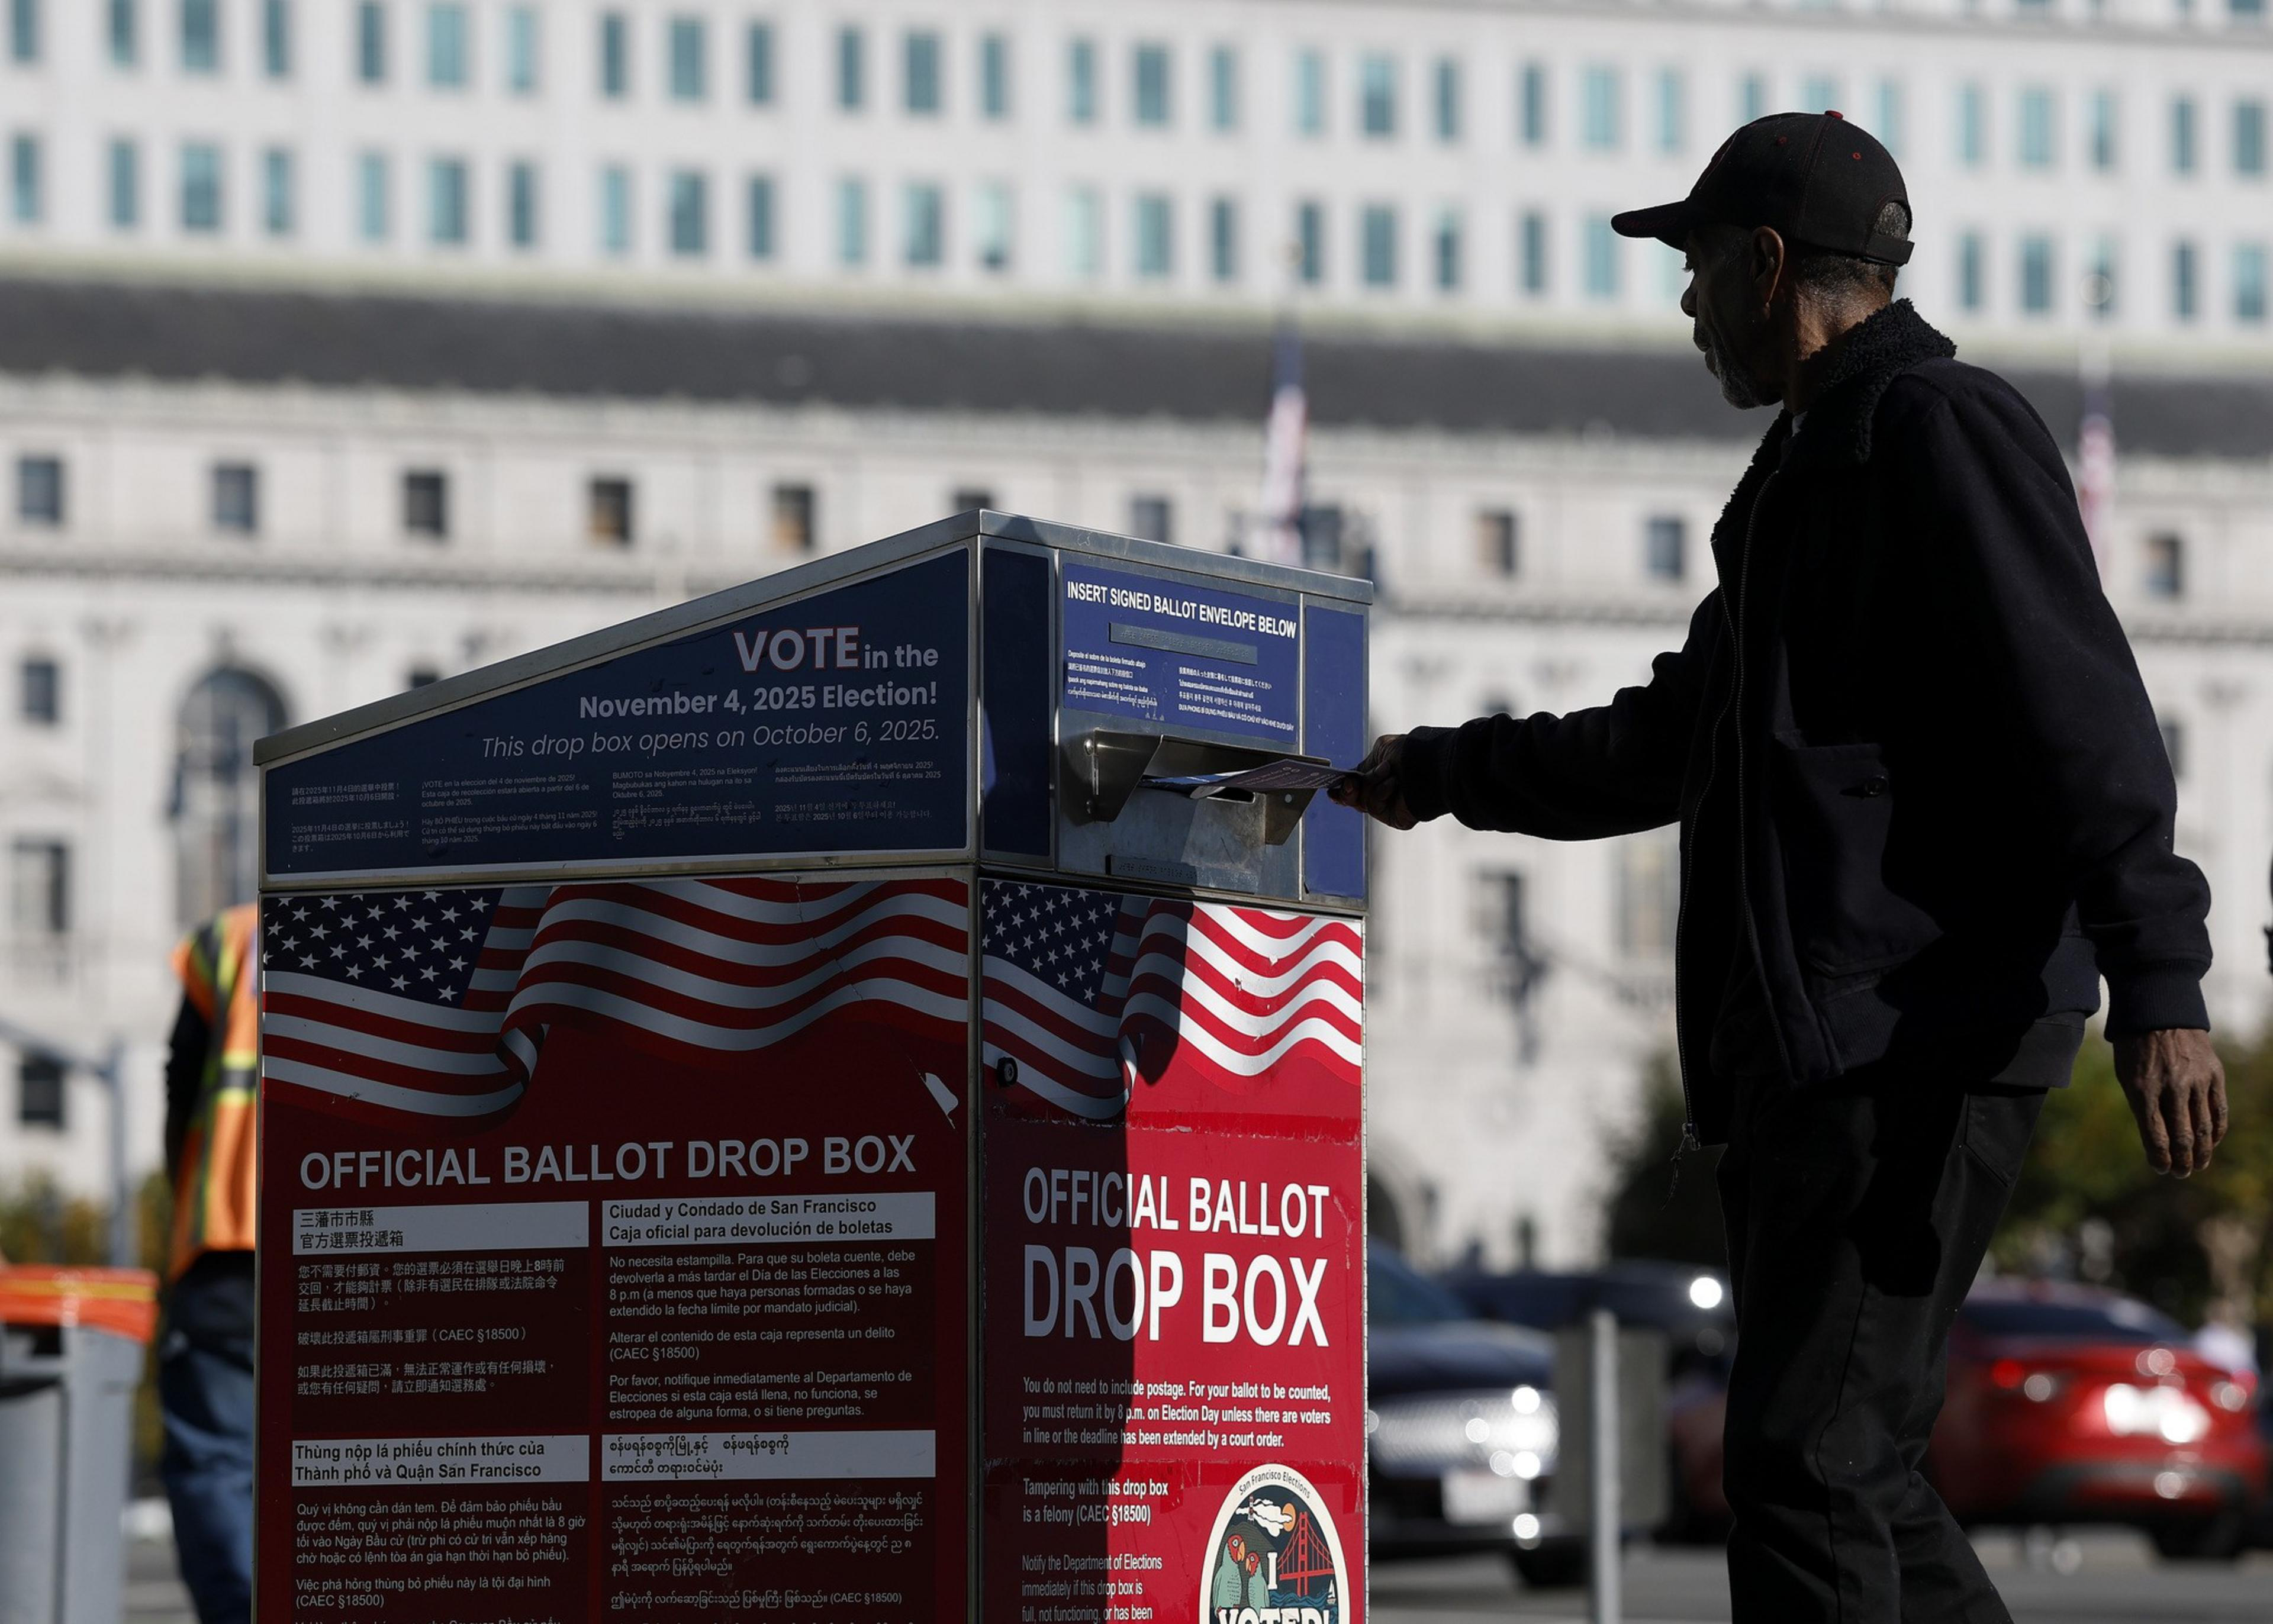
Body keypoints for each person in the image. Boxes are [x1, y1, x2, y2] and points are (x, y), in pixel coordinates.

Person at [1333, 111, 2227, 1623]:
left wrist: (2161, 980)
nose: (1684, 309)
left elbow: (2088, 723)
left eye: (1692, 269)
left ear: (1767, 265)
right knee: (1845, 1469)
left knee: (1805, 1467)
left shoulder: (1940, 430)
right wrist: (1429, 775)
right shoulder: (1795, 483)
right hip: (1822, 1057)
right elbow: (1668, 741)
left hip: (1911, 1040)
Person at [159, 903, 260, 1624]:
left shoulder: (230, 937)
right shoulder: (437, 900)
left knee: (218, 1460)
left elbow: (181, 1081)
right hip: (371, 1239)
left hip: (228, 1235)